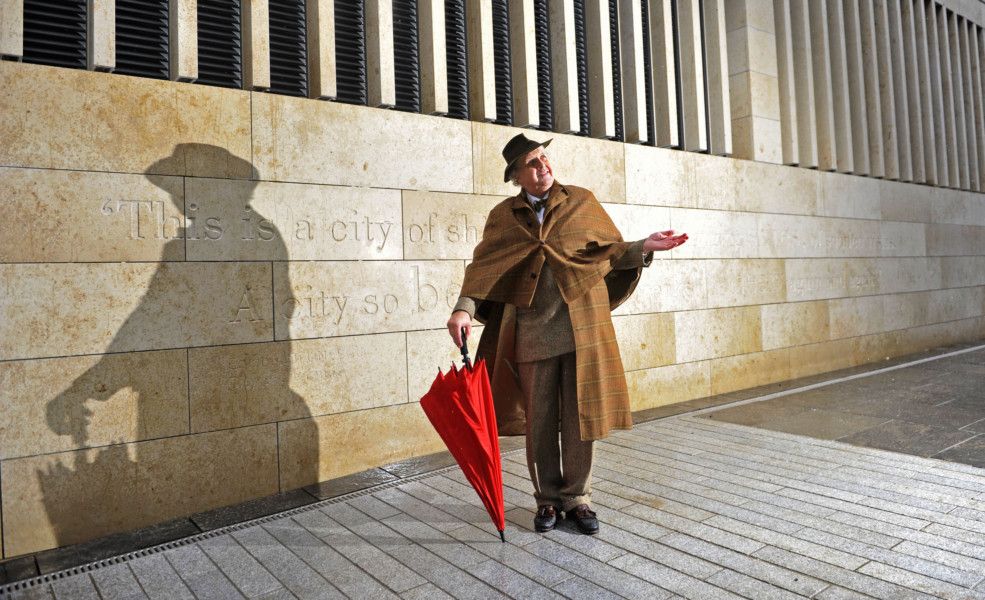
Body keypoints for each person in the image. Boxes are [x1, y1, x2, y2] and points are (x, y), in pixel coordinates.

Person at [446, 133, 687, 535]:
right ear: (516, 176)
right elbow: (484, 267)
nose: (543, 167)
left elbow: (607, 250)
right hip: (531, 332)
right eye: (532, 163)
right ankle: (547, 500)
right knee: (538, 421)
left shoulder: (580, 201)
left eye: (544, 159)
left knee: (580, 416)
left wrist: (644, 246)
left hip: (581, 328)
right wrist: (463, 309)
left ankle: (578, 497)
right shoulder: (504, 216)